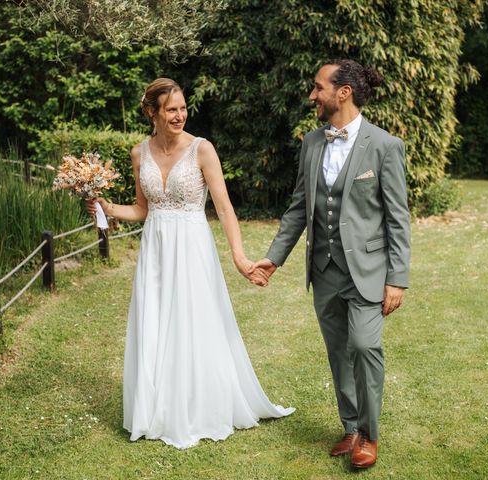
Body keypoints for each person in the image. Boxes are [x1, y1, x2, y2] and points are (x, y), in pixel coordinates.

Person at [86, 78, 293, 449]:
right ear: (152, 112)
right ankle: (157, 409)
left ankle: (198, 408)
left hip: (193, 246)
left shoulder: (202, 149)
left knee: (193, 322)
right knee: (155, 321)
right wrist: (106, 207)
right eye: (171, 109)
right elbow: (142, 208)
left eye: (182, 108)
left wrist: (239, 256)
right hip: (155, 250)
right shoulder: (139, 153)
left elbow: (225, 207)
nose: (179, 115)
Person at [253, 59, 411, 469]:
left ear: (343, 93)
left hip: (368, 271)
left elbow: (397, 218)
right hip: (323, 269)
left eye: (318, 87)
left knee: (364, 345)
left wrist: (397, 278)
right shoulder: (311, 143)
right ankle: (351, 428)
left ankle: (370, 435)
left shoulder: (384, 146)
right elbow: (297, 209)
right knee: (338, 352)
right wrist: (274, 258)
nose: (312, 95)